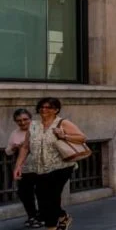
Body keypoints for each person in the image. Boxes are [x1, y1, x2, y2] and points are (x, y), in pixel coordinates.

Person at [15, 98, 86, 230]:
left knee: (49, 197)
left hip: (61, 167)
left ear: (56, 110)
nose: (44, 109)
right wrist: (18, 166)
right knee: (38, 196)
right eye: (42, 107)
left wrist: (64, 136)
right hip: (38, 167)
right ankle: (62, 216)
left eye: (48, 107)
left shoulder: (62, 123)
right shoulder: (33, 125)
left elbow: (82, 138)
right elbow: (25, 147)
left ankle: (51, 226)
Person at [7, 108, 39, 228]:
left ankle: (43, 216)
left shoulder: (38, 130)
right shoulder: (15, 133)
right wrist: (14, 148)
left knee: (42, 193)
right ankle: (32, 216)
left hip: (40, 167)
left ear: (31, 119)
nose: (23, 122)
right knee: (25, 193)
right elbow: (8, 151)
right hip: (23, 169)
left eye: (25, 119)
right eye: (19, 121)